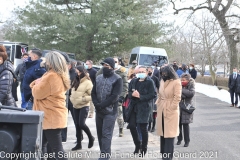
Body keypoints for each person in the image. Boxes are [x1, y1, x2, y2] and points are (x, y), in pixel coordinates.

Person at [30, 51, 70, 160]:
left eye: (47, 61)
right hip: (52, 116)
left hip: (50, 117)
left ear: (52, 62)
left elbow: (37, 93)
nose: (45, 62)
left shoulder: (52, 76)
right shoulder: (57, 75)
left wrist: (34, 84)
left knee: (56, 149)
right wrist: (37, 83)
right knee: (45, 147)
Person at [91, 57, 123, 160]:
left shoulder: (118, 79)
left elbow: (115, 96)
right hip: (99, 110)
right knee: (100, 134)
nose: (104, 67)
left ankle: (104, 156)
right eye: (103, 65)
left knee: (106, 134)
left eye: (107, 66)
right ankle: (104, 153)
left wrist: (102, 105)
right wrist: (96, 104)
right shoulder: (98, 77)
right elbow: (93, 92)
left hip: (110, 111)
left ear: (112, 67)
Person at [125, 66, 155, 156]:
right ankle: (137, 145)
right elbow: (129, 92)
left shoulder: (150, 82)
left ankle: (144, 147)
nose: (140, 73)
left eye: (142, 71)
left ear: (146, 72)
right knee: (132, 126)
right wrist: (132, 94)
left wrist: (140, 96)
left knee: (143, 128)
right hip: (134, 107)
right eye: (139, 71)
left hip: (144, 108)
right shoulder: (134, 81)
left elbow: (152, 95)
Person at [155, 64, 181, 160]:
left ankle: (168, 157)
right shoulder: (162, 80)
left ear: (170, 72)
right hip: (161, 108)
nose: (164, 74)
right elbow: (160, 94)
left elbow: (177, 97)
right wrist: (158, 103)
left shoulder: (176, 82)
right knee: (162, 134)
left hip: (171, 110)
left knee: (169, 135)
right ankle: (163, 155)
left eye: (165, 73)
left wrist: (171, 108)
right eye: (162, 73)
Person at [70, 65, 95, 151]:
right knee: (77, 125)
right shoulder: (76, 80)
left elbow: (93, 95)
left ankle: (91, 137)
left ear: (82, 72)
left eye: (79, 71)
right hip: (75, 105)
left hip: (84, 105)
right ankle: (78, 144)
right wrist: (71, 98)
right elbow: (72, 91)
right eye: (76, 71)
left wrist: (83, 99)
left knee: (81, 124)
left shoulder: (88, 82)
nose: (77, 73)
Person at [61, 60, 78, 143]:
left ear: (70, 65)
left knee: (76, 119)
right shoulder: (63, 72)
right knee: (64, 118)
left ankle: (79, 137)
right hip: (64, 98)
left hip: (72, 98)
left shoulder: (75, 73)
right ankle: (63, 137)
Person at [177, 73, 195, 147]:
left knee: (185, 125)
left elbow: (191, 94)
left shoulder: (191, 85)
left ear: (188, 80)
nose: (182, 81)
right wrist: (184, 93)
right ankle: (179, 139)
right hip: (179, 107)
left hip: (187, 107)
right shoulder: (178, 85)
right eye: (181, 80)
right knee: (178, 124)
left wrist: (181, 90)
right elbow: (177, 93)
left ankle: (187, 141)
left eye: (184, 80)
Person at [147, 66, 159, 133]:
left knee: (154, 113)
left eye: (150, 71)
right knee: (149, 112)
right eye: (147, 71)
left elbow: (158, 87)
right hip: (148, 97)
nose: (149, 72)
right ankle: (149, 126)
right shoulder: (146, 78)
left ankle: (153, 126)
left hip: (154, 97)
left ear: (152, 71)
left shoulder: (155, 78)